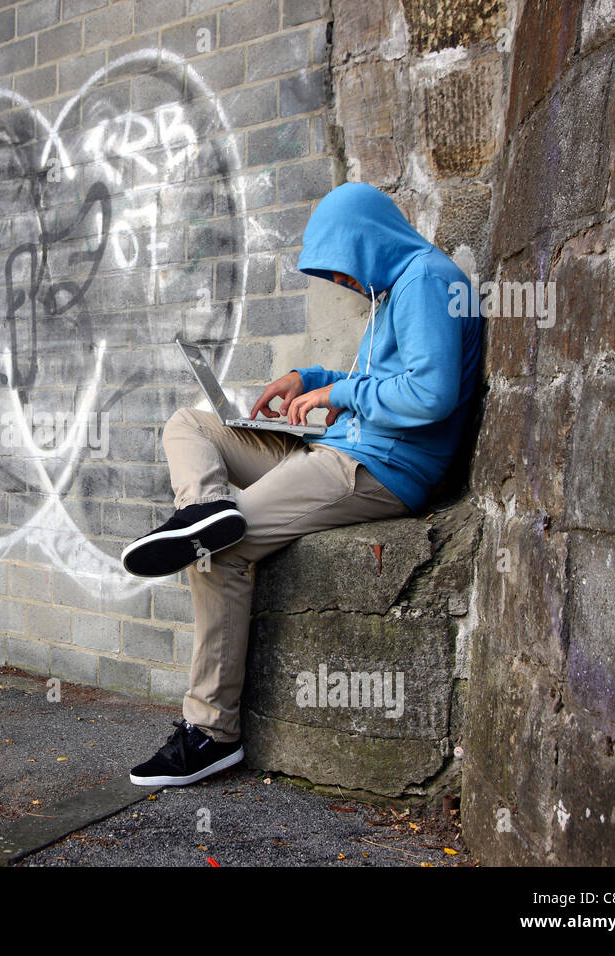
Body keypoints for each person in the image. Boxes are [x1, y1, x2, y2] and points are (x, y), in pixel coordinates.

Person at [122, 182, 484, 786]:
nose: (342, 283)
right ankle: (204, 507)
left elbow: (432, 393)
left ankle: (212, 734)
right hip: (341, 448)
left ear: (367, 239)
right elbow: (385, 376)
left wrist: (337, 394)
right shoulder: (401, 287)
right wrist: (308, 376)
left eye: (343, 268)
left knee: (217, 554)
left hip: (377, 468)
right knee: (191, 424)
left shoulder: (426, 278)